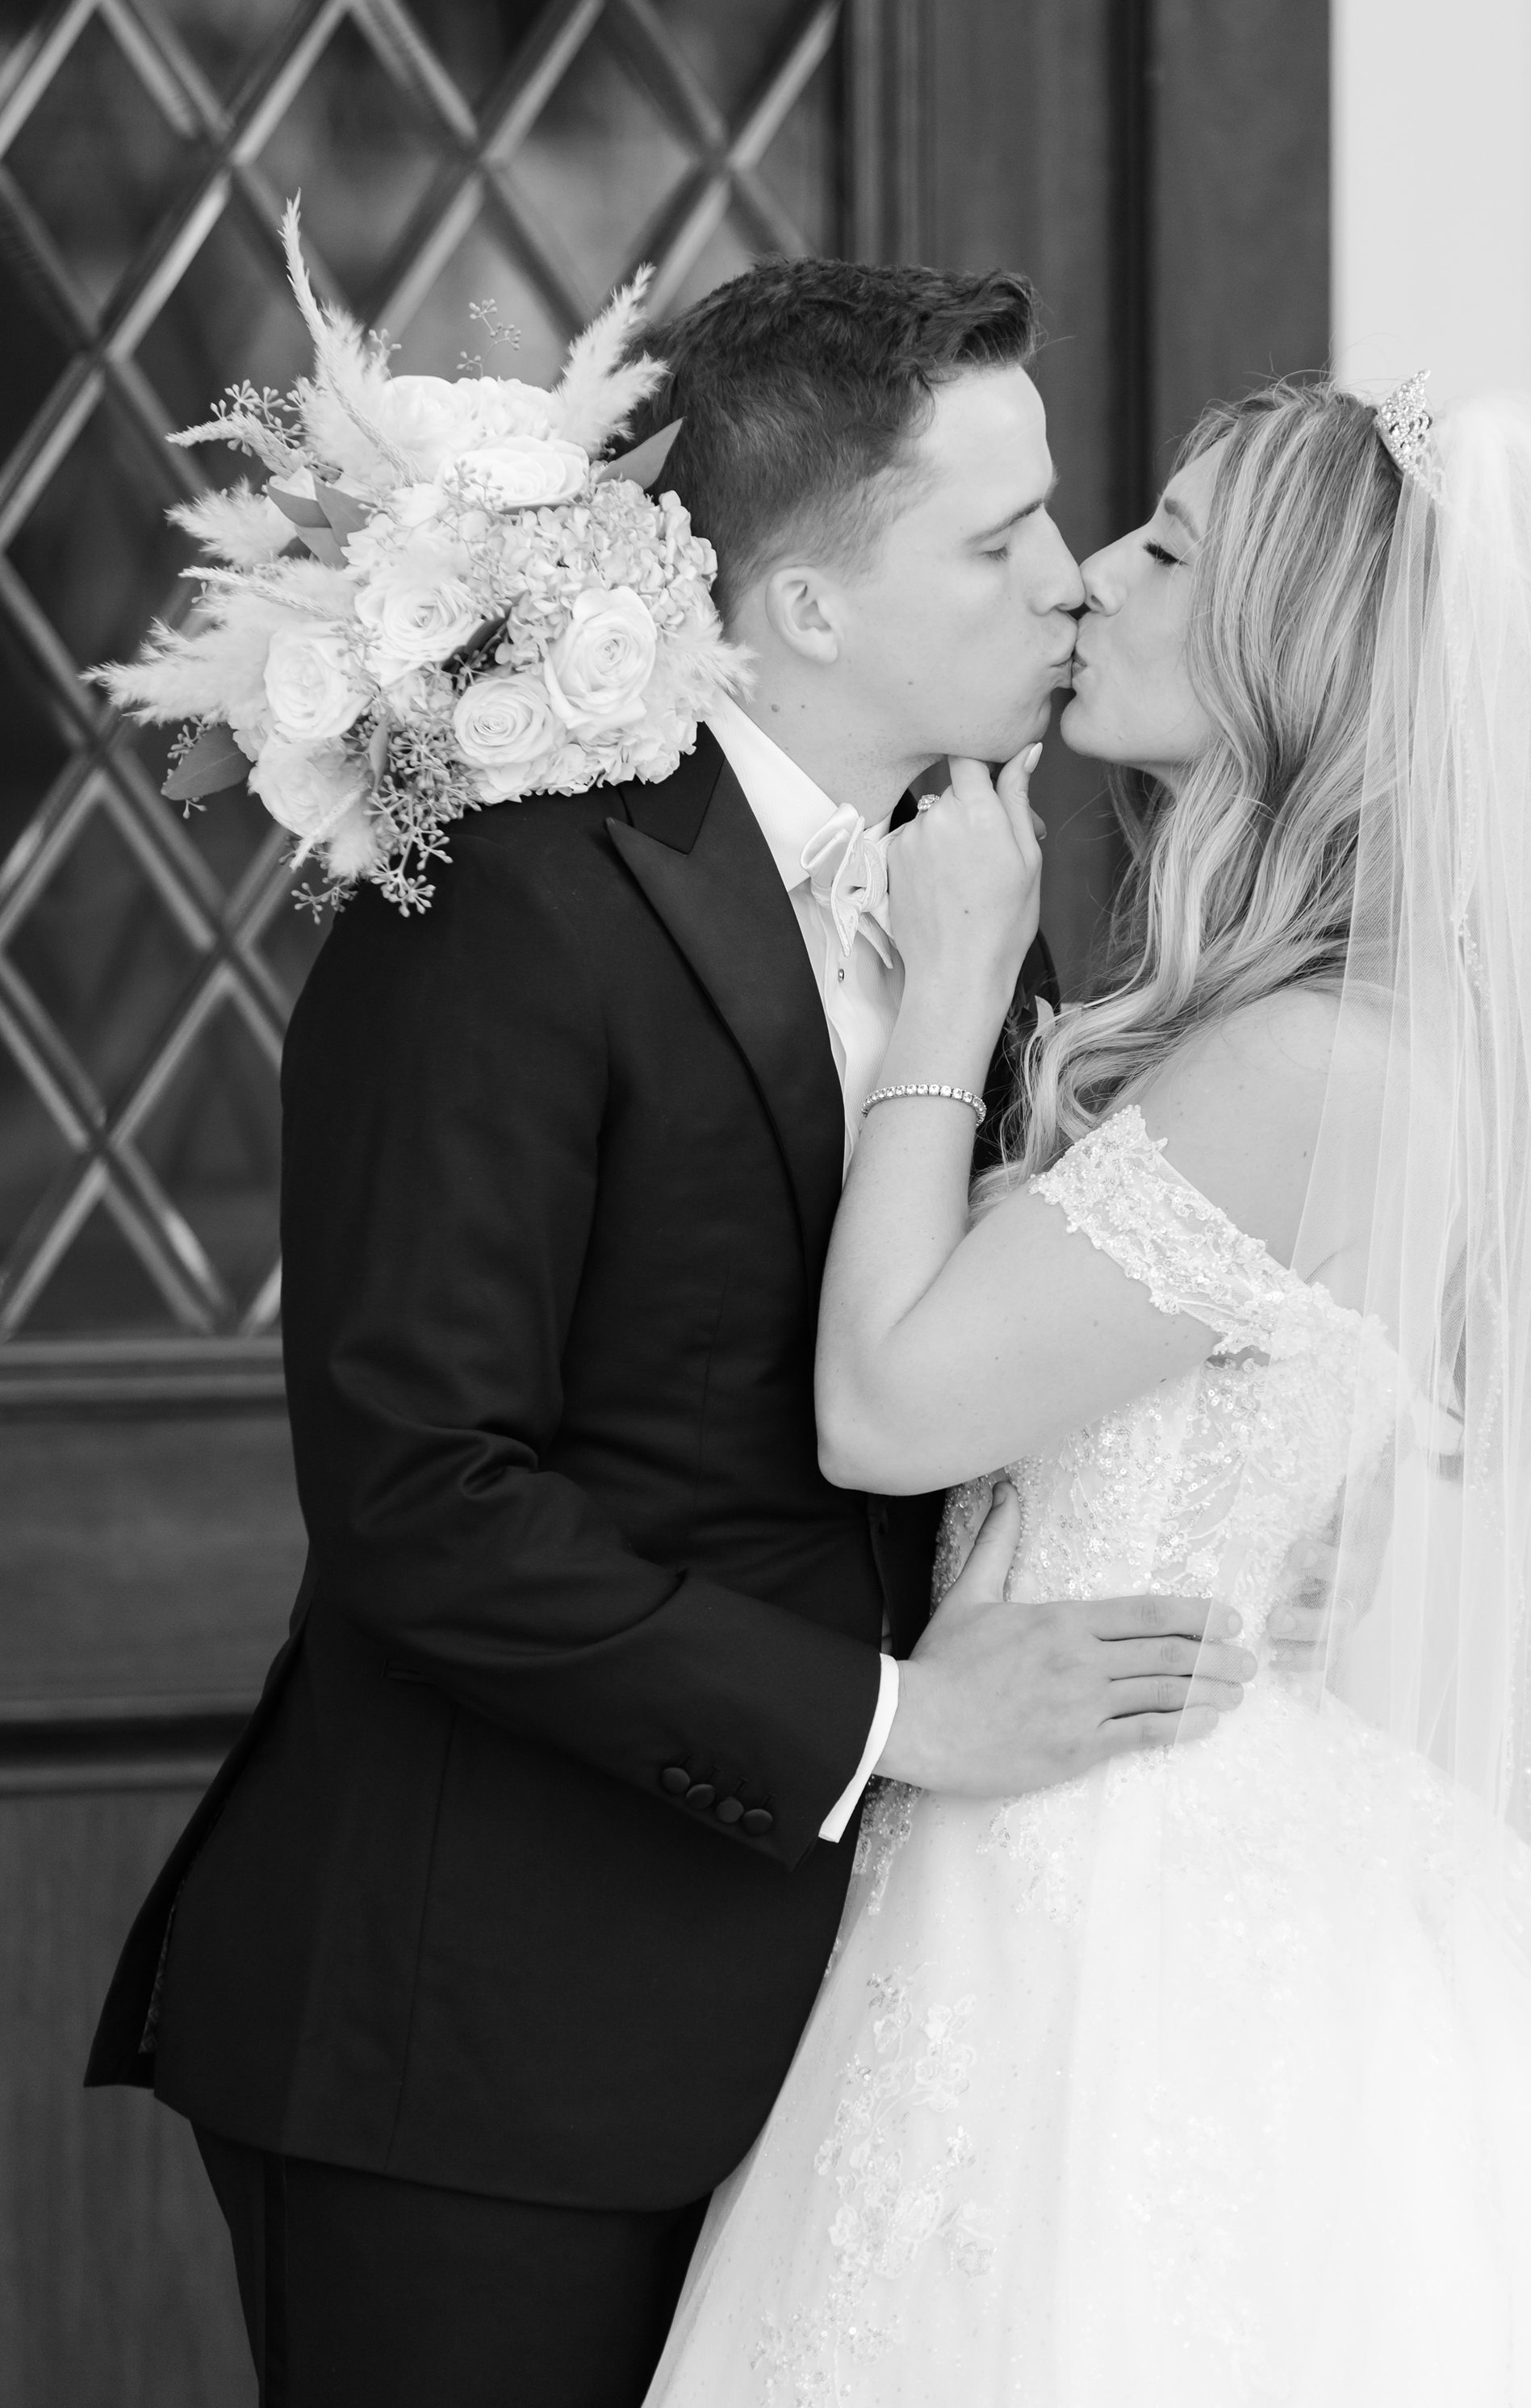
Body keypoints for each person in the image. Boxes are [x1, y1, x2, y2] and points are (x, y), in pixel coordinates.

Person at [645, 378, 1531, 2404]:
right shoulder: (1354, 1027)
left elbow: (889, 1413)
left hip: (1110, 1884)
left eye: (1166, 547)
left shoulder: (1315, 1064)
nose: (1094, 580)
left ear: (1290, 653)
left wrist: (958, 984)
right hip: (1107, 1789)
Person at [82, 260, 1258, 2408]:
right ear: (806, 610)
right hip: (483, 2060)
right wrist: (894, 1724)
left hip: (856, 2055)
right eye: (993, 543)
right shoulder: (518, 899)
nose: (1069, 588)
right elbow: (424, 1500)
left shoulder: (975, 885)